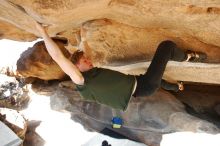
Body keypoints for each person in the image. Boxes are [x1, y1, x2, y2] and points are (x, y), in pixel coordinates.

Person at [35, 22, 207, 111]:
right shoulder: (82, 82)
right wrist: (42, 32)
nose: (89, 61)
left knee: (158, 80)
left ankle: (177, 86)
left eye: (87, 59)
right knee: (166, 47)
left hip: (139, 84)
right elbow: (58, 57)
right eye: (85, 61)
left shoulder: (92, 73)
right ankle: (190, 58)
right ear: (76, 68)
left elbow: (82, 48)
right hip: (143, 86)